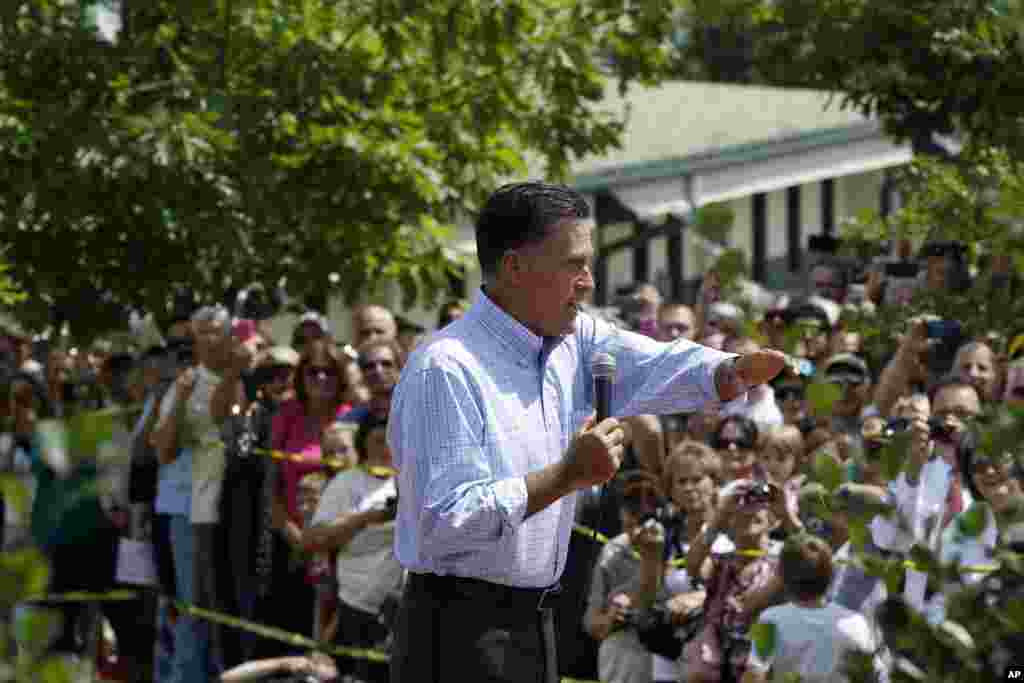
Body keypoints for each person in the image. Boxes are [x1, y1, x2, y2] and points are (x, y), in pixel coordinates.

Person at [388, 182, 786, 683]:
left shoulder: (573, 338)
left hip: (534, 625)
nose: (588, 283)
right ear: (515, 267)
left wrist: (731, 371)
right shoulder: (445, 369)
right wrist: (565, 476)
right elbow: (442, 522)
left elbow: (653, 363)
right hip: (457, 634)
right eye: (573, 264)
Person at [742, 534, 882, 683]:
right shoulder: (857, 623)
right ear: (831, 575)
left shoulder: (769, 620)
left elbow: (753, 676)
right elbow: (873, 676)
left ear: (782, 576)